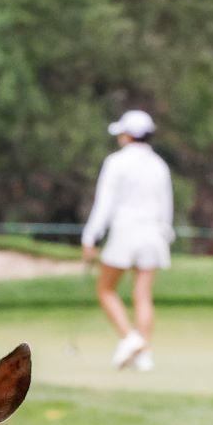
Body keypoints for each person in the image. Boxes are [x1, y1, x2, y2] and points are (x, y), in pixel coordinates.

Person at [80, 109, 175, 371]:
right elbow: (166, 207)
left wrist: (90, 237)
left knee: (106, 289)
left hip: (126, 232)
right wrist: (165, 234)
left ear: (129, 135)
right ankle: (143, 353)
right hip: (153, 234)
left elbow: (104, 204)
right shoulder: (159, 164)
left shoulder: (116, 162)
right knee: (142, 294)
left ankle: (131, 338)